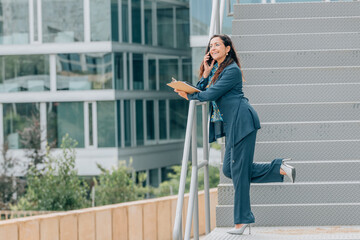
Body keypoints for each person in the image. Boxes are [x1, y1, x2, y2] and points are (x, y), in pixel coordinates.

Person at [174, 34, 296, 235]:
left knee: (238, 173)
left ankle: (242, 221)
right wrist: (204, 73)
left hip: (243, 122)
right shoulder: (216, 70)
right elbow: (203, 88)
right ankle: (279, 168)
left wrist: (189, 95)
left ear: (227, 48)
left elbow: (209, 95)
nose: (213, 48)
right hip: (235, 125)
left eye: (217, 45)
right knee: (230, 171)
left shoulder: (232, 71)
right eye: (211, 45)